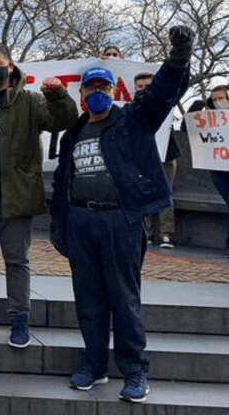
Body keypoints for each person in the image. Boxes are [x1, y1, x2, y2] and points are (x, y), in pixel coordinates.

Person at [51, 26, 194, 403]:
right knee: (89, 300)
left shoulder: (133, 121)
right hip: (81, 223)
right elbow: (62, 182)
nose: (96, 94)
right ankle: (94, 366)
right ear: (80, 94)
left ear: (114, 93)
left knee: (124, 300)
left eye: (103, 88)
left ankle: (134, 371)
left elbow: (162, 91)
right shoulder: (73, 133)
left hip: (121, 221)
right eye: (90, 88)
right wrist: (59, 227)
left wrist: (179, 55)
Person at [0, 43, 77, 346]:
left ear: (10, 66)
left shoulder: (31, 101)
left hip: (16, 197)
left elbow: (65, 121)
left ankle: (20, 319)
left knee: (17, 261)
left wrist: (58, 95)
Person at [134, 72, 182, 249]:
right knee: (144, 193)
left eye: (148, 87)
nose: (144, 91)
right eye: (140, 87)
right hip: (143, 156)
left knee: (165, 192)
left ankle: (166, 234)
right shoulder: (132, 107)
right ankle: (145, 231)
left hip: (166, 154)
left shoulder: (165, 100)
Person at [185, 84, 229, 258]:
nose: (218, 102)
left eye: (221, 98)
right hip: (219, 170)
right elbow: (186, 128)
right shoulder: (208, 118)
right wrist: (195, 109)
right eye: (215, 99)